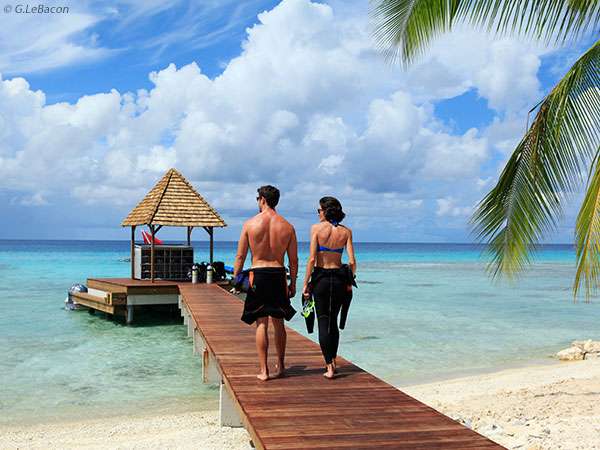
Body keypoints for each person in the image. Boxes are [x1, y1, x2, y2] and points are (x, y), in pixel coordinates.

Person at [233, 185, 298, 381]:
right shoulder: (287, 226)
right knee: (279, 323)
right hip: (278, 274)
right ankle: (281, 366)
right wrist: (292, 283)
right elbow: (293, 261)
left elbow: (240, 256)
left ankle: (264, 370)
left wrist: (237, 280)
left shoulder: (250, 224)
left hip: (258, 274)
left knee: (261, 323)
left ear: (262, 199)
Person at [302, 196, 356, 379]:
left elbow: (311, 259)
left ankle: (329, 367)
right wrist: (351, 278)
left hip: (321, 278)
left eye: (319, 210)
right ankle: (333, 360)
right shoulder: (346, 232)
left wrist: (305, 283)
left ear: (325, 211)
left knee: (323, 322)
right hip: (340, 279)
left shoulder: (316, 229)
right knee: (333, 321)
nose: (318, 213)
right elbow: (352, 261)